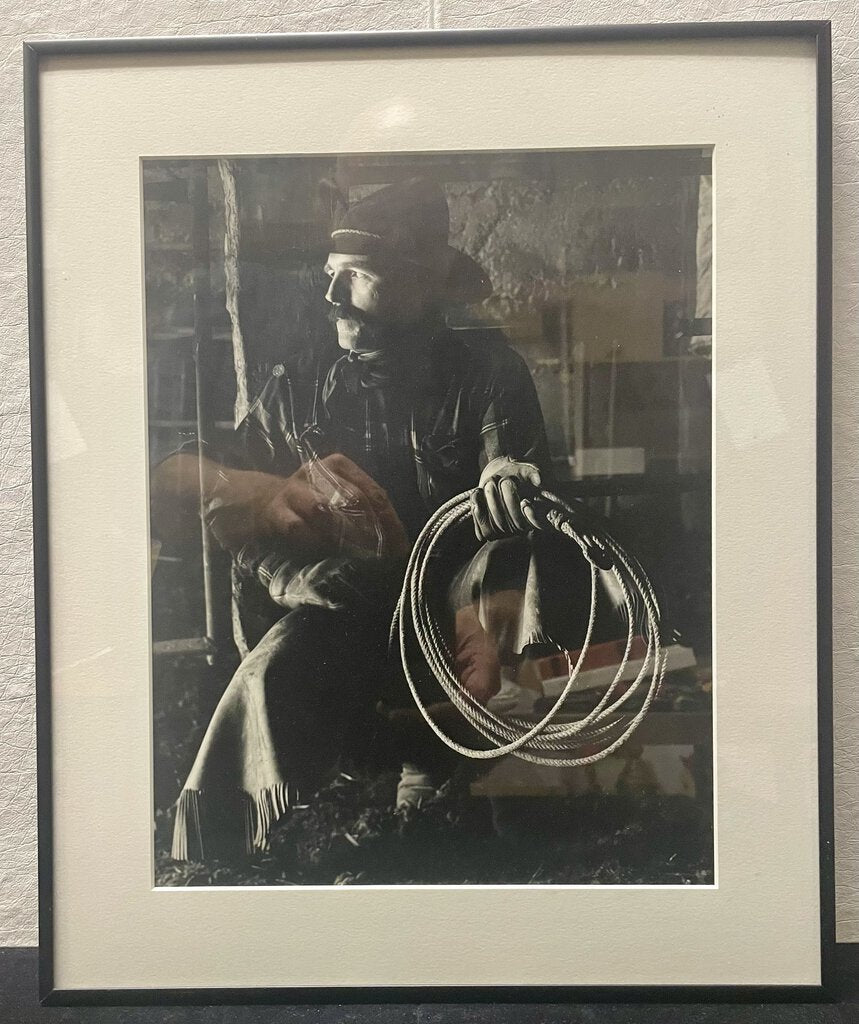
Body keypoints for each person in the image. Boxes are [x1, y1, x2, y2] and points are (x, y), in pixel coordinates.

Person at [153, 178, 558, 862]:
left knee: (441, 829)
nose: (332, 298)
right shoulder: (303, 382)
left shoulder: (487, 371)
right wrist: (293, 562)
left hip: (456, 612)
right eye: (329, 277)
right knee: (273, 672)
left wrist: (506, 479)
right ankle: (236, 845)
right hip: (345, 605)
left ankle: (431, 790)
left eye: (358, 278)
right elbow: (231, 497)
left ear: (420, 284)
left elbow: (507, 468)